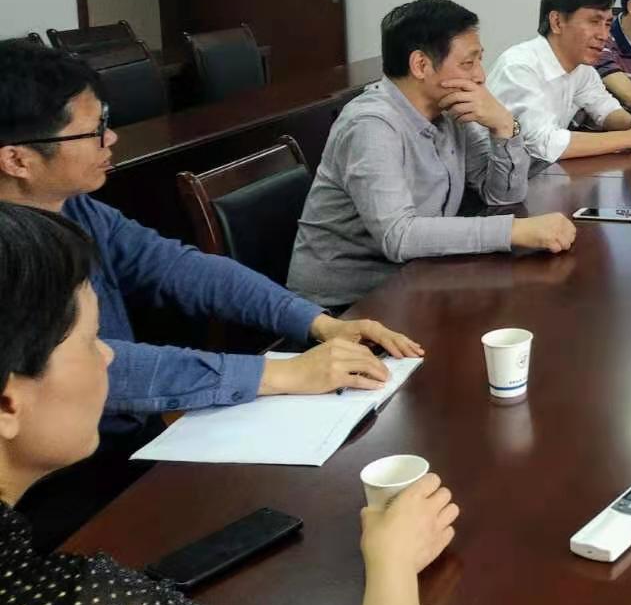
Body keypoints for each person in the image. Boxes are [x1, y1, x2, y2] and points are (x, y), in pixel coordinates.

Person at [0, 43, 421, 548]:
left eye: (105, 121)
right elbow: (97, 366)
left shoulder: (73, 207)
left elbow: (179, 268)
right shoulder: (11, 258)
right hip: (45, 486)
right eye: (92, 132)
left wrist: (317, 322)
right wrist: (277, 373)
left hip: (119, 439)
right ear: (17, 159)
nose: (111, 138)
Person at [0, 202, 460, 605]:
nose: (110, 358)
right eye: (91, 342)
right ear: (7, 402)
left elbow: (183, 268)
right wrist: (393, 565)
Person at [289, 0, 576, 310]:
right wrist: (513, 231)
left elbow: (502, 196)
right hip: (344, 308)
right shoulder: (370, 125)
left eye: (479, 61)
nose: (480, 75)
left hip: (415, 279)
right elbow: (399, 236)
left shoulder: (450, 111)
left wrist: (505, 127)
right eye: (468, 63)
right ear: (421, 65)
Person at [489, 0, 631, 165]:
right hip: (492, 179)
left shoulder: (581, 68)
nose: (604, 35)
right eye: (594, 22)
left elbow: (605, 109)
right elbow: (543, 143)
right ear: (557, 22)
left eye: (607, 24)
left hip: (535, 171)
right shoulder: (519, 68)